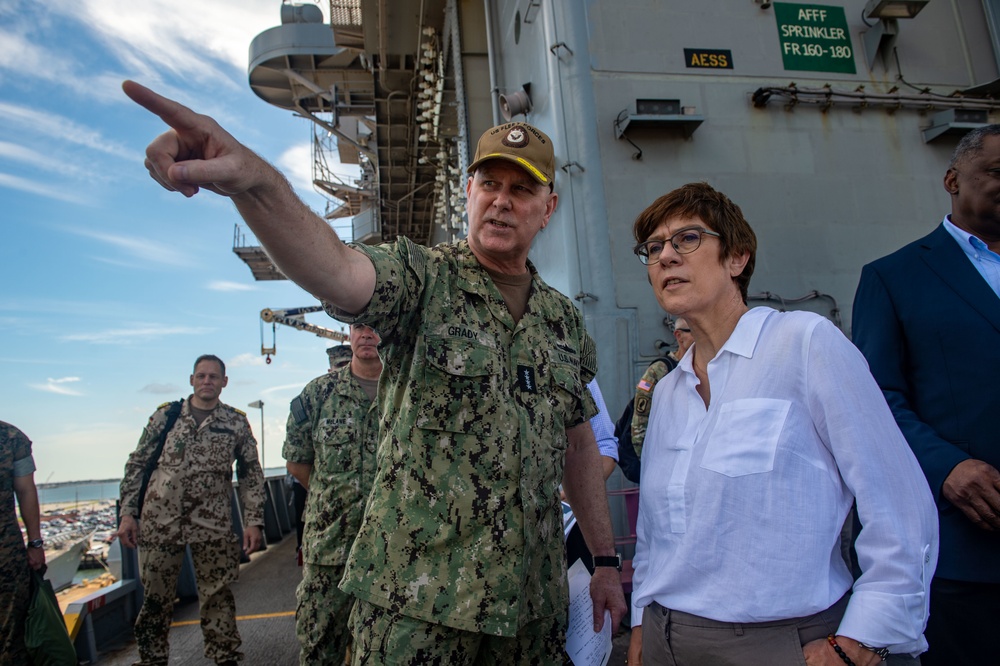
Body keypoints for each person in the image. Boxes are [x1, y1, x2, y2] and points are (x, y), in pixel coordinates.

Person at [123, 80, 625, 665]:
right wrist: (253, 181)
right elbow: (340, 273)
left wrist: (606, 562)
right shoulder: (423, 280)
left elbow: (580, 444)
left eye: (522, 188)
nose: (502, 200)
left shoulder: (561, 321)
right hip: (418, 611)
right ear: (469, 192)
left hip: (531, 615)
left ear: (549, 207)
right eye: (489, 183)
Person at [626, 182, 938, 666]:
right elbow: (654, 532)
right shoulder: (668, 392)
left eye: (687, 239)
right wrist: (641, 623)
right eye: (653, 248)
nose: (665, 256)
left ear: (737, 259)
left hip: (778, 643)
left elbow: (898, 502)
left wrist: (865, 637)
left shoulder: (803, 344)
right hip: (667, 638)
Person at [851, 124, 1000, 666]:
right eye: (997, 171)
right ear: (952, 180)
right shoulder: (895, 278)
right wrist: (947, 468)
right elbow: (875, 399)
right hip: (966, 548)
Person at [117, 355, 266, 666]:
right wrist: (128, 513)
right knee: (156, 599)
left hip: (213, 524)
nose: (207, 382)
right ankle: (152, 659)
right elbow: (138, 463)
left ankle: (225, 657)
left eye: (214, 377)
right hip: (160, 521)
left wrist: (254, 521)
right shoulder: (166, 416)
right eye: (201, 376)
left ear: (224, 382)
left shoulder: (235, 422)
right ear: (191, 380)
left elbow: (251, 472)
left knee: (217, 597)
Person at [283, 326, 382, 666]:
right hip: (331, 547)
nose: (367, 334)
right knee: (321, 646)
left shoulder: (410, 390)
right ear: (351, 335)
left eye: (375, 327)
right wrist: (335, 495)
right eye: (359, 328)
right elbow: (297, 463)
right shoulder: (318, 394)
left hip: (394, 549)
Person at [0, 421, 46, 662]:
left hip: (6, 557)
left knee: (13, 636)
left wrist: (35, 542)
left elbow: (26, 490)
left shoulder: (11, 437)